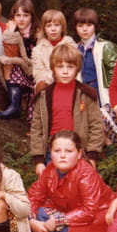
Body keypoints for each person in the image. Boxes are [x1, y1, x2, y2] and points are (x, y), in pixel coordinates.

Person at [28, 130, 115, 232]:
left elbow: (90, 210)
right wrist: (31, 220)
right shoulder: (50, 169)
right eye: (57, 151)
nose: (62, 156)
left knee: (70, 227)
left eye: (69, 151)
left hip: (96, 217)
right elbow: (34, 196)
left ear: (79, 154)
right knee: (40, 213)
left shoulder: (86, 173)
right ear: (51, 153)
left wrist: (60, 220)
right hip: (70, 212)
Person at [29, 43, 105, 174]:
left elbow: (96, 126)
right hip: (53, 152)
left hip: (79, 152)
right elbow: (37, 129)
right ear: (53, 68)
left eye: (70, 67)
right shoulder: (44, 95)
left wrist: (92, 155)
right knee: (54, 184)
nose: (65, 71)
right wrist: (39, 160)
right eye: (60, 67)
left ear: (77, 68)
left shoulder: (86, 94)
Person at [73, 8, 117, 139]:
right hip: (84, 91)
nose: (85, 29)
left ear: (95, 26)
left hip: (101, 92)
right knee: (90, 126)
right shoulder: (75, 49)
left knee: (108, 126)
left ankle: (113, 148)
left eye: (89, 25)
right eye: (80, 26)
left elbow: (114, 75)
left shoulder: (104, 47)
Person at [0, 0, 39, 120]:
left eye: (25, 15)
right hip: (19, 70)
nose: (21, 19)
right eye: (18, 15)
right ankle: (14, 105)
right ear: (13, 17)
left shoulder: (37, 34)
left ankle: (17, 107)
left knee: (12, 63)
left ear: (32, 17)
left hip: (34, 71)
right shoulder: (13, 32)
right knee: (7, 62)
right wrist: (10, 31)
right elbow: (10, 54)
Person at [32, 9, 76, 92]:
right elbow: (38, 73)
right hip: (48, 86)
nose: (53, 29)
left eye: (57, 25)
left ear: (62, 28)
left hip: (68, 82)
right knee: (41, 85)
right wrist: (53, 79)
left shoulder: (71, 46)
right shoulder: (38, 50)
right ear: (44, 29)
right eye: (49, 26)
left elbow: (76, 68)